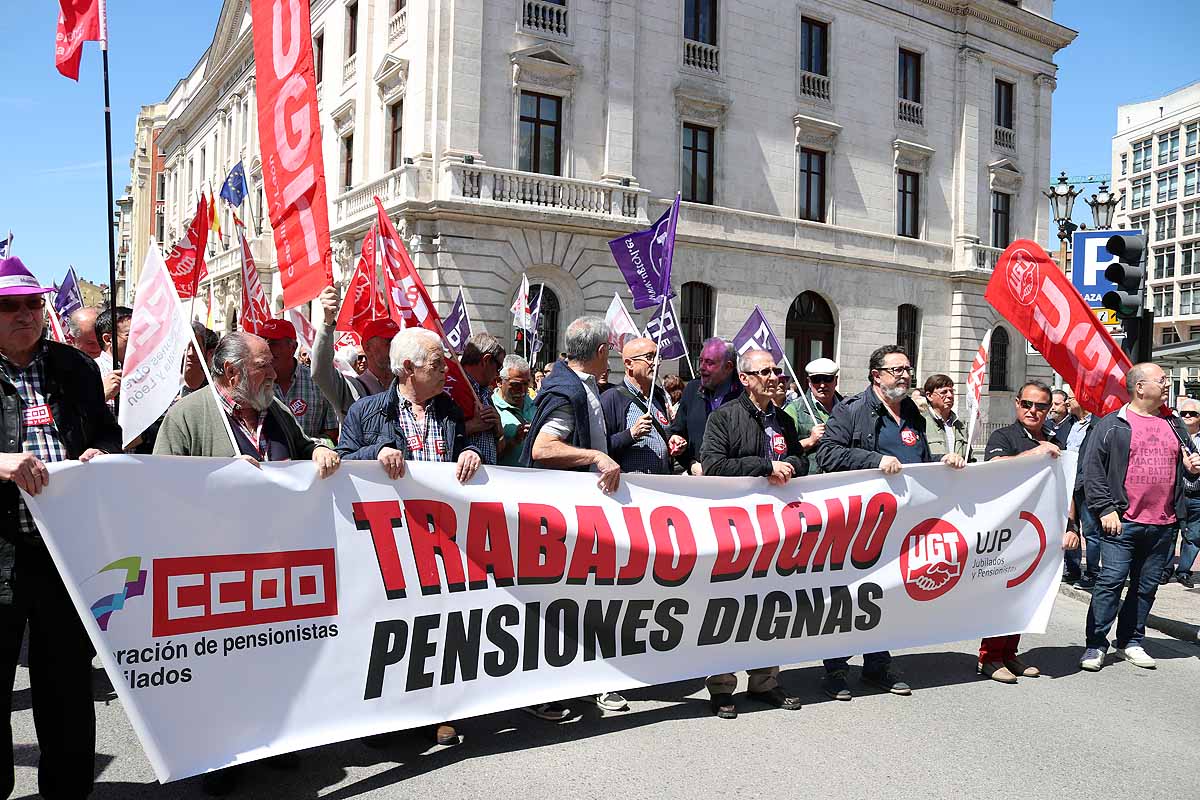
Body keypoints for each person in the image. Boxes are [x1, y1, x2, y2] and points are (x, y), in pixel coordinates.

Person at [0, 257, 120, 800]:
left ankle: (68, 793)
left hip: (66, 552)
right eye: (9, 307)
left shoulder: (76, 369)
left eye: (31, 304)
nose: (24, 315)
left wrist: (100, 455)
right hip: (3, 552)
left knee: (66, 683)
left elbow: (109, 436)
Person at [335, 327, 481, 748]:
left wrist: (470, 453)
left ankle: (441, 711)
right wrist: (374, 455)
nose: (445, 371)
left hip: (439, 540)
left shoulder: (451, 411)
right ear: (408, 369)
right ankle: (386, 716)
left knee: (441, 625)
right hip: (387, 541)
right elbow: (342, 461)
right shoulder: (368, 411)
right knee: (389, 629)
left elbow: (458, 465)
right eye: (437, 364)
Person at [816, 344, 966, 700]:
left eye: (907, 369)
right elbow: (827, 453)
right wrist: (874, 460)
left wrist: (941, 463)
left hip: (902, 523)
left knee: (887, 593)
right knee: (851, 595)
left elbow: (920, 458)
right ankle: (836, 668)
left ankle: (877, 663)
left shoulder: (913, 411)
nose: (904, 375)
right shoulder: (851, 410)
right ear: (876, 375)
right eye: (896, 370)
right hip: (860, 523)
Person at [521, 317, 627, 717]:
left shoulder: (577, 385)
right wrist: (596, 456)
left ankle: (581, 680)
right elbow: (544, 449)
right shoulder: (567, 391)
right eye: (610, 350)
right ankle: (541, 692)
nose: (612, 356)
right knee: (554, 604)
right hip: (561, 518)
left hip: (578, 513)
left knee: (579, 601)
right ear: (600, 352)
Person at [699, 349, 807, 718]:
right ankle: (721, 685)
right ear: (744, 379)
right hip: (736, 532)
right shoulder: (724, 417)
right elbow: (714, 465)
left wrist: (791, 463)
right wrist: (765, 466)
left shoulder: (783, 420)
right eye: (764, 372)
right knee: (729, 608)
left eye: (776, 370)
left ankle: (765, 680)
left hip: (778, 532)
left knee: (771, 606)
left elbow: (801, 459)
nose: (774, 377)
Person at [1080, 362, 1200, 672]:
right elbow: (1092, 472)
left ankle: (1131, 642)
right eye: (1161, 380)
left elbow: (1187, 466)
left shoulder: (1174, 424)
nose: (1166, 385)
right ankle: (1096, 644)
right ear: (1140, 388)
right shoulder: (1112, 425)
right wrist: (1106, 509)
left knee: (1145, 587)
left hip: (1163, 523)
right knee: (1111, 581)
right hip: (1123, 521)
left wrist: (1192, 467)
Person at [977, 380, 1071, 683]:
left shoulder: (1056, 439)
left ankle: (1009, 653)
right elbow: (995, 467)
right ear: (1017, 404)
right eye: (1028, 404)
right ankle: (989, 657)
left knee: (1025, 594)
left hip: (1039, 532)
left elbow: (1064, 488)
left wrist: (1071, 528)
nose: (1034, 411)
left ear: (1049, 408)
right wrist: (1036, 453)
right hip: (1007, 533)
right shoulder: (1004, 435)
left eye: (1041, 406)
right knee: (1001, 595)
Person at [312, 285, 400, 420]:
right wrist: (327, 324)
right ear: (368, 347)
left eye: (398, 341)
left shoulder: (406, 385)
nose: (395, 347)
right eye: (388, 341)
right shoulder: (352, 388)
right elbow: (321, 372)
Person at [666, 338, 741, 475]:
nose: (701, 367)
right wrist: (690, 463)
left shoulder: (745, 396)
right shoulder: (692, 390)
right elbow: (676, 431)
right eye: (701, 361)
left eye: (709, 362)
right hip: (697, 482)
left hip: (734, 482)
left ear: (728, 367)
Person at [601, 338, 674, 475]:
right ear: (629, 364)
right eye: (649, 357)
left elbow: (665, 435)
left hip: (663, 487)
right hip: (630, 489)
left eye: (658, 357)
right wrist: (631, 434)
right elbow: (600, 447)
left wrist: (673, 440)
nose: (656, 363)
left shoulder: (658, 396)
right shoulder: (611, 398)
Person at [259, 318, 338, 442]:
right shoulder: (253, 382)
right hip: (267, 461)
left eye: (273, 343)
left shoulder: (318, 381)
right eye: (263, 342)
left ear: (293, 347)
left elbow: (332, 431)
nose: (266, 348)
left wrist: (310, 448)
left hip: (308, 460)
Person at [1064, 393, 1100, 587]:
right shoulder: (1069, 424)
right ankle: (1073, 568)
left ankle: (1093, 573)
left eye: (1072, 397)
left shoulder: (1097, 425)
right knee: (1070, 527)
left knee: (1091, 531)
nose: (1068, 401)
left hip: (1087, 486)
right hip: (1069, 484)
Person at [458, 333, 507, 465]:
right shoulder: (452, 388)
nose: (498, 374)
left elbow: (497, 449)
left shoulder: (485, 394)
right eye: (498, 367)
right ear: (486, 360)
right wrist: (472, 426)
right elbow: (438, 435)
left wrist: (498, 432)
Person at [1168, 398, 1200, 587]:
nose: (1187, 416)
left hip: (1197, 496)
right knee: (1169, 533)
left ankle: (1184, 571)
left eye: (1192, 413)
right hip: (1174, 493)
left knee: (1194, 535)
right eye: (1184, 413)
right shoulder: (1173, 436)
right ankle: (1165, 570)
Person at [785, 357, 842, 459]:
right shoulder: (794, 409)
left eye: (828, 379)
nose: (822, 385)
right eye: (816, 380)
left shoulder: (848, 408)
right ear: (809, 382)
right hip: (810, 473)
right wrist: (810, 441)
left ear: (836, 380)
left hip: (842, 472)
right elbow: (782, 449)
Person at [493, 355, 535, 467]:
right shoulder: (490, 409)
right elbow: (487, 457)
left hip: (537, 479)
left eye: (526, 384)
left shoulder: (536, 405)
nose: (522, 390)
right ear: (499, 381)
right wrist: (513, 442)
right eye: (515, 385)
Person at [922, 374, 968, 460]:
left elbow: (969, 459)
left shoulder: (960, 426)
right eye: (944, 392)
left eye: (952, 391)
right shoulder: (920, 423)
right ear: (929, 395)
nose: (950, 396)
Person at [94, 305, 131, 406]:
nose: (137, 340)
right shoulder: (88, 370)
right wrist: (103, 395)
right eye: (130, 335)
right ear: (108, 339)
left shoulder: (148, 368)